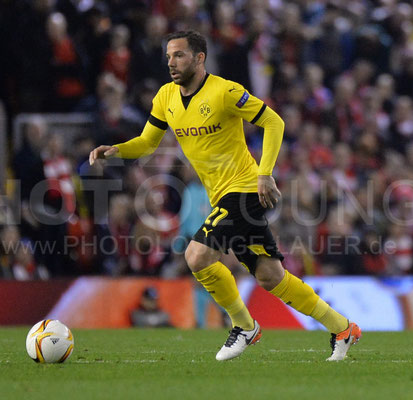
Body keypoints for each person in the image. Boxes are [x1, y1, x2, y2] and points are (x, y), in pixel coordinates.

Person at [90, 30, 361, 362]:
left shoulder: (226, 92)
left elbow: (274, 123)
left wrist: (264, 174)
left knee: (196, 256)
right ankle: (342, 327)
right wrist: (115, 150)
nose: (171, 63)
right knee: (270, 276)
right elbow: (147, 142)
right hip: (222, 196)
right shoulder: (165, 97)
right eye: (168, 56)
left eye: (179, 55)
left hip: (244, 189)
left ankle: (244, 326)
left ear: (199, 58)